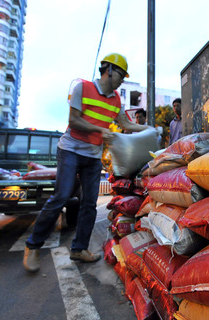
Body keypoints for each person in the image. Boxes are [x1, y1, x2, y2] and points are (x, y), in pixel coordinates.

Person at [23, 53, 150, 272]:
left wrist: (148, 129)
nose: (122, 79)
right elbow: (73, 120)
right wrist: (100, 130)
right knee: (61, 196)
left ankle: (79, 249)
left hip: (92, 156)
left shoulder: (116, 100)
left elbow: (124, 124)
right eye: (121, 74)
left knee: (89, 204)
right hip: (71, 150)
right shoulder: (83, 88)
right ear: (109, 70)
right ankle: (33, 245)